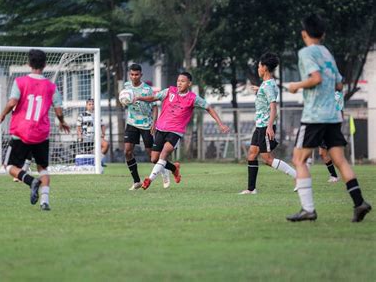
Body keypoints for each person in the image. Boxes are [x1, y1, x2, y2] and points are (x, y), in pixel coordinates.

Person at [287, 14, 371, 222]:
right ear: (323, 34)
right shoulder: (326, 52)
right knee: (340, 160)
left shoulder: (306, 53)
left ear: (304, 33)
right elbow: (339, 84)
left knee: (298, 159)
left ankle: (308, 209)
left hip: (315, 116)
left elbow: (316, 78)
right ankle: (359, 202)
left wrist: (296, 86)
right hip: (333, 115)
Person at [0, 49, 70, 211]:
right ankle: (45, 202)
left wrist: (2, 115)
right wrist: (62, 122)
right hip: (41, 133)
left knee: (8, 166)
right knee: (43, 168)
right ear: (45, 65)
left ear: (29, 64)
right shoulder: (51, 87)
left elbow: (12, 102)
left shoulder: (20, 82)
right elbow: (58, 110)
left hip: (21, 132)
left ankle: (30, 181)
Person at [136, 72, 230, 190]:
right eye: (178, 81)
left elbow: (209, 108)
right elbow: (154, 97)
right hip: (161, 128)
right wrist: (140, 98)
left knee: (164, 153)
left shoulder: (193, 98)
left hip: (175, 131)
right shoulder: (169, 91)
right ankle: (174, 168)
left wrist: (220, 124)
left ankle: (149, 179)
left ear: (189, 83)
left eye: (183, 81)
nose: (179, 83)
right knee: (154, 158)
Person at [239, 53, 296, 195]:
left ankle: (298, 176)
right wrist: (260, 90)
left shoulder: (268, 85)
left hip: (265, 126)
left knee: (267, 159)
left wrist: (270, 126)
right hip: (259, 126)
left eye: (259, 66)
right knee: (252, 155)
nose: (258, 69)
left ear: (264, 68)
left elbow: (273, 107)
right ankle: (251, 189)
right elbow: (267, 94)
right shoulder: (266, 85)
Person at [123, 64, 160, 190]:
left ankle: (165, 168)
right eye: (132, 74)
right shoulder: (126, 87)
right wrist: (124, 101)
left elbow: (155, 107)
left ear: (141, 75)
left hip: (146, 124)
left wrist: (154, 123)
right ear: (130, 74)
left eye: (136, 74)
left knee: (152, 156)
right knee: (127, 151)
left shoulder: (147, 89)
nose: (134, 77)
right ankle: (136, 181)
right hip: (131, 123)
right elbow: (124, 101)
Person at [76, 98, 109, 166]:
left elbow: (102, 125)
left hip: (96, 137)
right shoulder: (81, 115)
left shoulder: (97, 115)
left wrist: (103, 133)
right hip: (85, 137)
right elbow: (78, 127)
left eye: (92, 104)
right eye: (89, 104)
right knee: (87, 153)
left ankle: (98, 161)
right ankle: (91, 162)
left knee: (106, 144)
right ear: (86, 105)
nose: (91, 105)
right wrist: (80, 136)